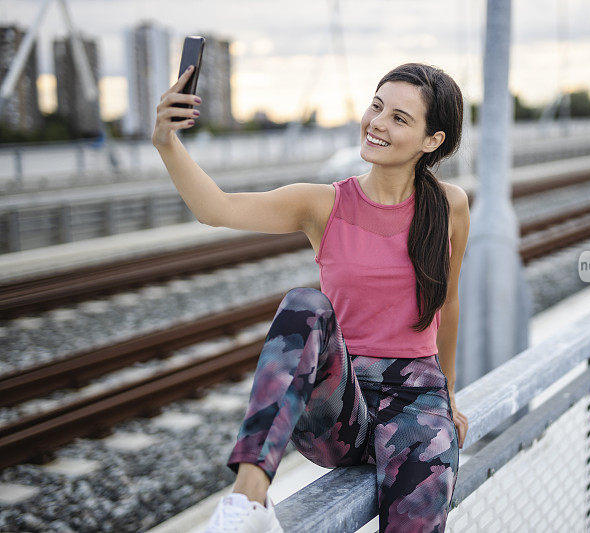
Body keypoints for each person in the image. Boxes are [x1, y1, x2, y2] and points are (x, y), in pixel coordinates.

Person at [152, 61, 470, 533]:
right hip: (341, 403)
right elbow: (215, 208)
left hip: (417, 404)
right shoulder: (323, 203)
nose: (377, 123)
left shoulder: (450, 206)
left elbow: (447, 304)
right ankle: (249, 500)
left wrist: (449, 395)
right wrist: (166, 142)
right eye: (376, 106)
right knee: (306, 304)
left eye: (399, 118)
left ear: (432, 140)